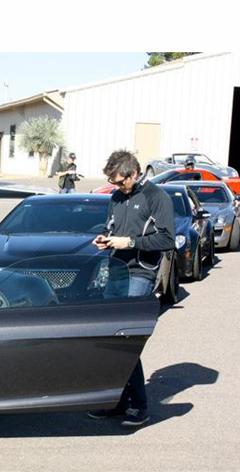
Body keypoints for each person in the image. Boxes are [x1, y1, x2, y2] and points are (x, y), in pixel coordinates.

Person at [89, 149, 175, 427]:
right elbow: (112, 227)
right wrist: (105, 238)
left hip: (141, 273)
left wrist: (130, 243)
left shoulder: (156, 197)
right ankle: (115, 401)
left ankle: (138, 405)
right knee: (109, 338)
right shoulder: (116, 197)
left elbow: (167, 239)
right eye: (112, 182)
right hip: (115, 270)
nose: (117, 186)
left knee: (126, 339)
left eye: (120, 181)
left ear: (135, 173)